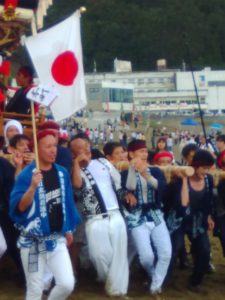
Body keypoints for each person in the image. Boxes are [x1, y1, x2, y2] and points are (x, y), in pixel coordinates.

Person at [10, 129, 81, 300]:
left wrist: (68, 228)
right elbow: (19, 207)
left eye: (54, 146)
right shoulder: (28, 174)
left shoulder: (62, 172)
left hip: (56, 238)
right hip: (32, 242)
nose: (53, 150)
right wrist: (32, 187)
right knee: (35, 288)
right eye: (48, 146)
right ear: (37, 149)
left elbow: (67, 202)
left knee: (67, 284)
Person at [72, 142, 129, 297]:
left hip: (115, 212)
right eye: (80, 148)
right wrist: (77, 163)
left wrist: (126, 194)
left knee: (119, 254)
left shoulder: (103, 162)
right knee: (98, 255)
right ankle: (106, 278)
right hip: (94, 216)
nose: (84, 149)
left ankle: (118, 290)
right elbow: (77, 184)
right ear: (74, 153)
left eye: (86, 146)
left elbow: (119, 183)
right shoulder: (75, 168)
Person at [121, 140, 171, 296]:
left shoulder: (155, 170)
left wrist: (145, 174)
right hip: (136, 217)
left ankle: (156, 286)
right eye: (141, 151)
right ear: (131, 154)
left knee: (165, 253)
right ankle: (152, 276)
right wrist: (132, 168)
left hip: (155, 214)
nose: (144, 154)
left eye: (145, 151)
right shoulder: (124, 171)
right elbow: (129, 187)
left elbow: (160, 187)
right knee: (146, 257)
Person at [166, 149, 215, 290]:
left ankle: (195, 281)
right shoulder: (179, 180)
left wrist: (209, 216)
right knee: (175, 248)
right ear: (195, 166)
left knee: (205, 250)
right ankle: (162, 279)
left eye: (208, 168)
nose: (205, 171)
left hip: (198, 219)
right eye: (203, 168)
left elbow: (209, 200)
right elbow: (183, 205)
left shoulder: (208, 179)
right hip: (179, 218)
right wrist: (184, 180)